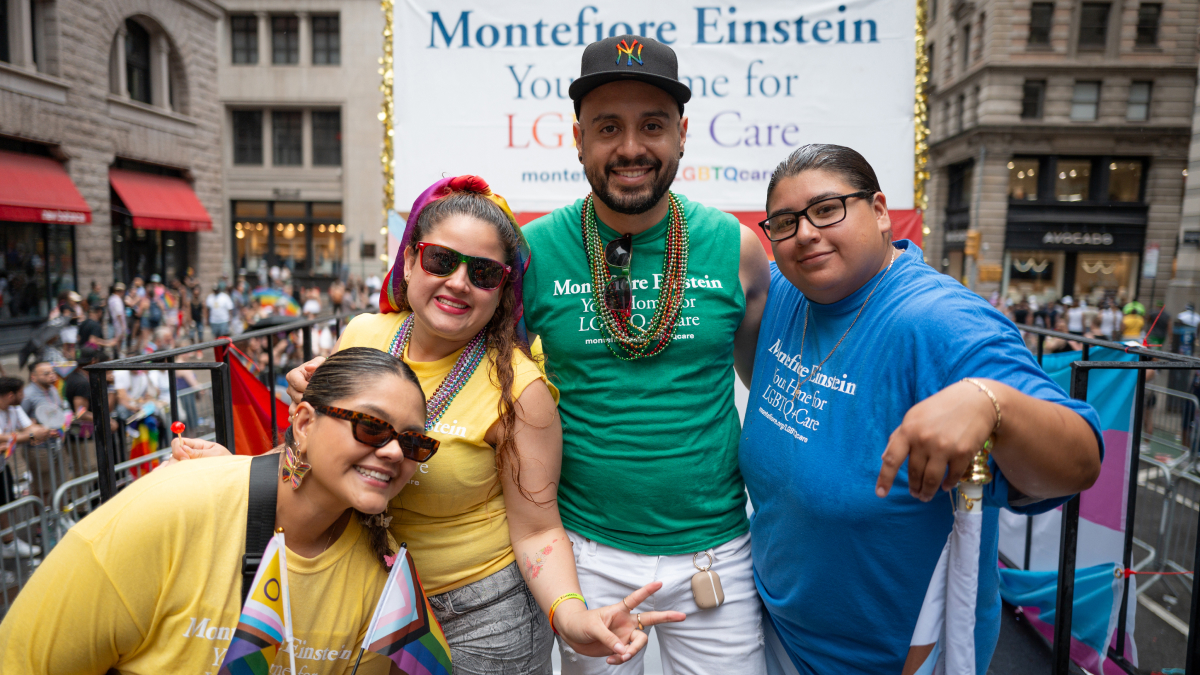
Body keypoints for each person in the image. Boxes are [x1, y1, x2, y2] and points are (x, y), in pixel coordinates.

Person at [235, 177, 681, 672]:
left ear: (502, 290)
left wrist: (571, 618)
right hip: (361, 594)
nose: (458, 283)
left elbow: (536, 530)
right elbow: (317, 461)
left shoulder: (520, 390)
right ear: (408, 262)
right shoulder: (362, 335)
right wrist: (238, 466)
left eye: (484, 273)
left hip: (481, 619)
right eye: (441, 260)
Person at [738, 145, 1102, 674]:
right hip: (774, 630)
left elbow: (1081, 459)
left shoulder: (939, 320)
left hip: (890, 659)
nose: (806, 233)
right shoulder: (784, 293)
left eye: (827, 209)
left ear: (880, 211)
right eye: (786, 222)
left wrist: (991, 401)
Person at [501, 35, 771, 675]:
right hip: (586, 555)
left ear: (681, 133)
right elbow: (472, 367)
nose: (629, 148)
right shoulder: (533, 253)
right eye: (607, 128)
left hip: (719, 553)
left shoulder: (737, 249)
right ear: (577, 138)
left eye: (651, 125)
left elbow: (770, 392)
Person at [0, 348, 430, 674]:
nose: (394, 452)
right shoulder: (172, 508)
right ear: (303, 423)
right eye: (371, 426)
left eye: (413, 442)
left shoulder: (384, 575)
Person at [0, 377, 51, 562]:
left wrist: (43, 430)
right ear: (12, 394)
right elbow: (3, 437)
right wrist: (29, 435)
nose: (24, 395)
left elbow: (30, 428)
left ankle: (8, 543)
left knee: (7, 504)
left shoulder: (14, 408)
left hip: (2, 466)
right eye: (22, 392)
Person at [107, 282, 127, 354]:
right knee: (119, 342)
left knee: (115, 342)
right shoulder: (117, 300)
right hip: (118, 324)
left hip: (113, 323)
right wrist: (123, 326)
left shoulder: (111, 298)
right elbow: (119, 314)